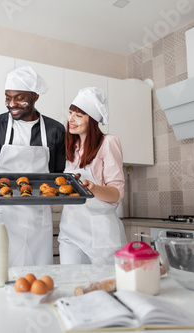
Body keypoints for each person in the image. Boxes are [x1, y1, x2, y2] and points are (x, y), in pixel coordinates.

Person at [0, 66, 66, 268]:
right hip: (1, 216)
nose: (11, 104)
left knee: (36, 275)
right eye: (7, 97)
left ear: (35, 96)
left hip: (38, 217)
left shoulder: (55, 130)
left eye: (19, 97)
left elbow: (58, 173)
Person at [58, 87, 127, 265]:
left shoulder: (108, 143)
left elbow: (116, 193)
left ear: (93, 120)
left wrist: (94, 189)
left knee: (106, 285)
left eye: (79, 115)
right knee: (73, 283)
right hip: (70, 231)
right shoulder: (70, 148)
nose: (71, 119)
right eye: (70, 112)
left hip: (100, 235)